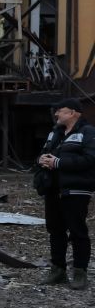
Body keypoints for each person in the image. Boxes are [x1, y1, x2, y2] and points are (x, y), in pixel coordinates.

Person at [36, 98, 95, 290]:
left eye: (60, 111)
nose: (56, 114)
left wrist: (59, 163)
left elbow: (90, 160)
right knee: (55, 230)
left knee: (78, 232)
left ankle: (80, 272)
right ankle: (58, 270)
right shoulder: (55, 133)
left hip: (76, 190)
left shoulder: (88, 132)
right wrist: (42, 160)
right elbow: (45, 152)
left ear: (73, 113)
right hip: (53, 190)